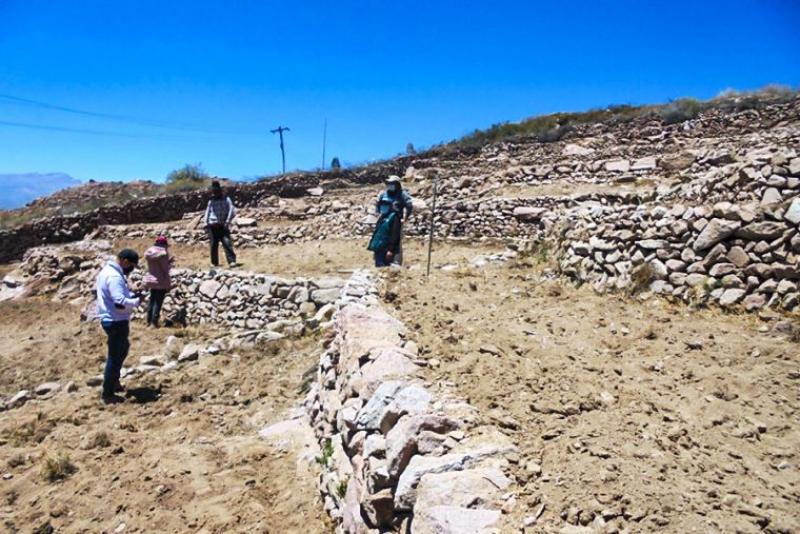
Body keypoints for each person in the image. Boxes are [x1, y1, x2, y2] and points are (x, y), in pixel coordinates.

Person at [95, 249, 142, 404]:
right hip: (116, 320)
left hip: (111, 318)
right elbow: (119, 301)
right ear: (125, 261)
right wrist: (135, 301)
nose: (131, 270)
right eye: (132, 266)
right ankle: (108, 393)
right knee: (115, 356)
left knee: (123, 348)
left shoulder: (106, 272)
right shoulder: (115, 277)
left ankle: (114, 381)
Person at [374, 176, 413, 264]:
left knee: (395, 241)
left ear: (397, 184)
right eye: (389, 184)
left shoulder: (402, 194)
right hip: (384, 220)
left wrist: (406, 218)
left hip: (396, 221)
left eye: (392, 184)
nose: (390, 186)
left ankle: (395, 263)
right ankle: (380, 261)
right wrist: (378, 216)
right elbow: (377, 206)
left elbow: (409, 206)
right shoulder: (383, 194)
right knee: (381, 241)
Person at [204, 180, 239, 267]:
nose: (215, 193)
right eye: (214, 191)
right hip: (213, 224)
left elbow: (231, 210)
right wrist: (205, 223)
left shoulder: (226, 199)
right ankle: (214, 263)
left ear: (220, 191)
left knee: (227, 243)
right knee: (213, 245)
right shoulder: (211, 201)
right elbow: (207, 212)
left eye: (217, 191)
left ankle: (231, 261)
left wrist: (227, 221)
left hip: (223, 224)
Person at [143, 235, 174, 327]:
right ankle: (154, 322)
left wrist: (168, 261)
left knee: (152, 301)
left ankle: (148, 321)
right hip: (160, 281)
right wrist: (168, 282)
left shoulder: (149, 251)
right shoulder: (163, 253)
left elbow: (155, 264)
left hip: (151, 280)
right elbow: (164, 269)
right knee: (158, 302)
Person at [368, 201, 403, 267]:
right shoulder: (382, 218)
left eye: (385, 206)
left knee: (385, 269)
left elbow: (395, 235)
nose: (383, 208)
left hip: (387, 250)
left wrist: (391, 250)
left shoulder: (394, 218)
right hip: (379, 248)